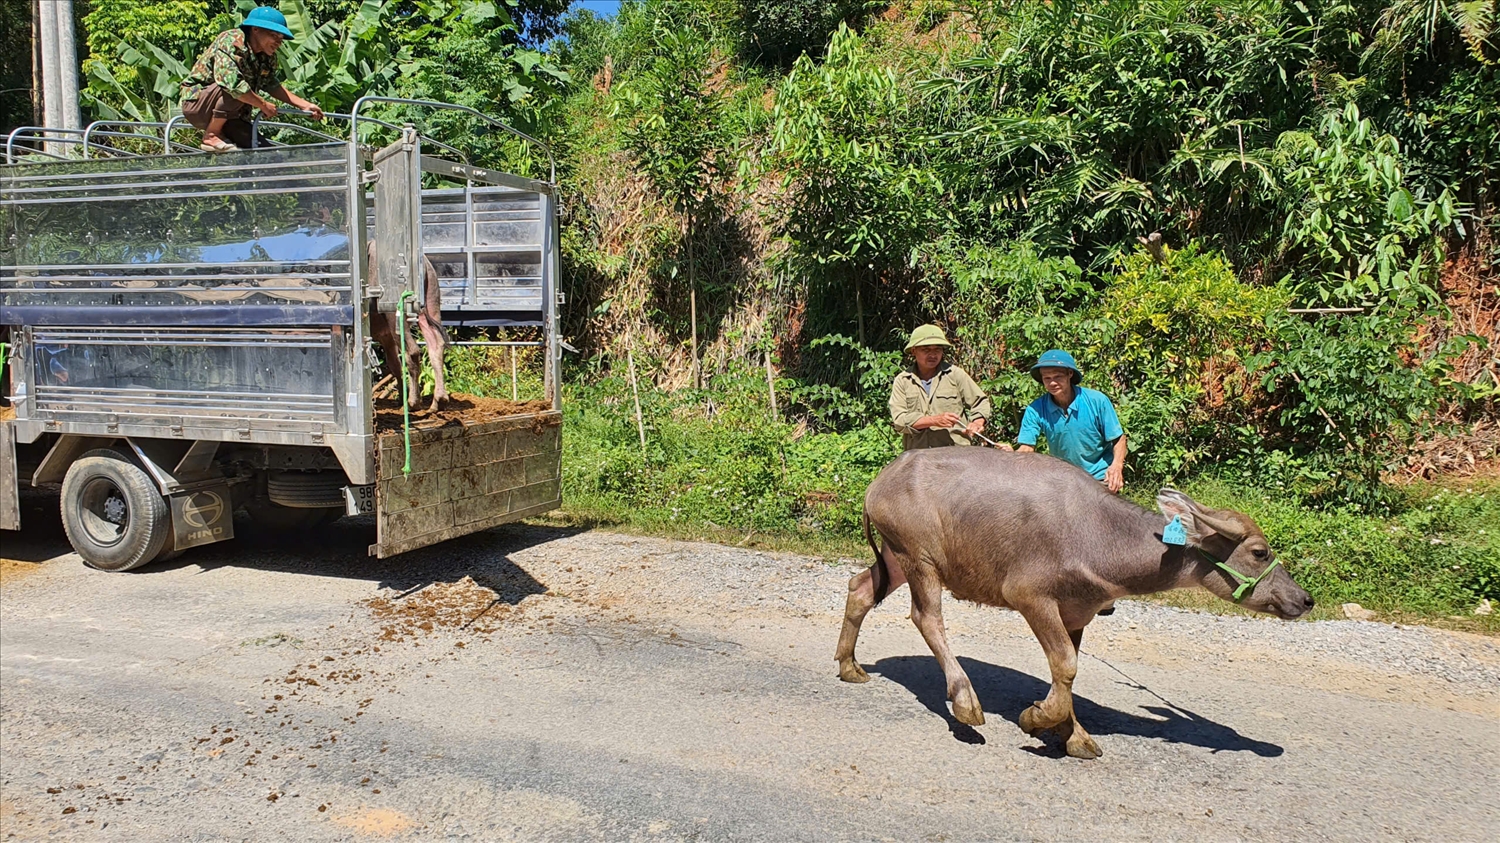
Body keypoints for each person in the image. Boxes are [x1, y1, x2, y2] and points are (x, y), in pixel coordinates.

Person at [178, 6, 324, 153]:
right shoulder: (232, 40)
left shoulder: (268, 56)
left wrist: (304, 105)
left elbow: (271, 84)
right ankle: (211, 135)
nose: (278, 43)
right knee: (235, 86)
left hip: (234, 115)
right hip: (199, 105)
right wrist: (263, 105)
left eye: (281, 39)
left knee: (266, 154)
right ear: (255, 29)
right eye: (274, 36)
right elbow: (232, 84)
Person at [1016, 349, 1127, 493]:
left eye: (1057, 376)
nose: (1052, 383)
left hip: (1099, 477)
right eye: (1047, 378)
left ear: (1070, 374)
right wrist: (1011, 457)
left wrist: (1116, 467)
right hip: (1063, 479)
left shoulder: (1097, 401)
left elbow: (1119, 439)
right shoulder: (1035, 409)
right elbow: (1027, 448)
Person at [889, 324, 995, 451]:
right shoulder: (903, 381)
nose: (933, 355)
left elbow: (980, 401)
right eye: (926, 350)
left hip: (956, 453)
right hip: (919, 456)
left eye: (937, 350)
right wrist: (934, 420)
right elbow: (900, 421)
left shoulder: (955, 374)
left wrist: (977, 422)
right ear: (913, 351)